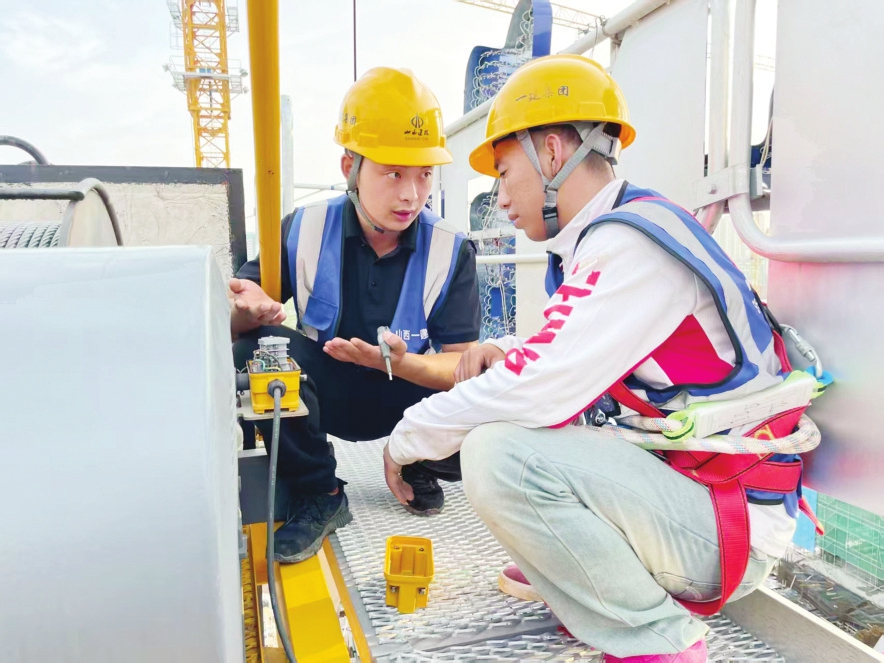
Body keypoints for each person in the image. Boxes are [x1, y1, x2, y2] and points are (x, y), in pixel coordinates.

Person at [382, 54, 817, 663]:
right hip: (701, 492)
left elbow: (542, 386)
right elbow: (567, 351)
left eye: (504, 173)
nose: (499, 199)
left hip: (722, 527)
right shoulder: (619, 230)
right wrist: (504, 351)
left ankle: (658, 643)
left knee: (498, 454)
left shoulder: (627, 246)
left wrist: (407, 438)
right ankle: (584, 570)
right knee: (512, 425)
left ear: (551, 153)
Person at [231, 67, 480, 564]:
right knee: (255, 349)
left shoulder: (451, 249)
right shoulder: (303, 228)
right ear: (350, 166)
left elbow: (461, 364)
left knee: (489, 389)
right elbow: (239, 317)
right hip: (328, 391)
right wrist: (248, 308)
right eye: (393, 173)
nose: (411, 194)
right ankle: (320, 493)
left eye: (424, 174)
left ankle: (418, 459)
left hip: (407, 390)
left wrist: (402, 368)